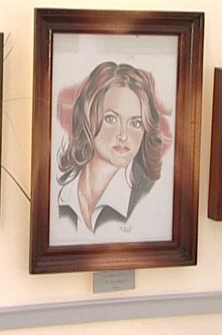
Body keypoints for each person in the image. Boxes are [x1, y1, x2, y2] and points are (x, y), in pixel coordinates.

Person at [56, 61, 164, 234]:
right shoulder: (62, 193)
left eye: (135, 123)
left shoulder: (151, 196)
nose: (123, 135)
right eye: (111, 119)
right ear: (88, 118)